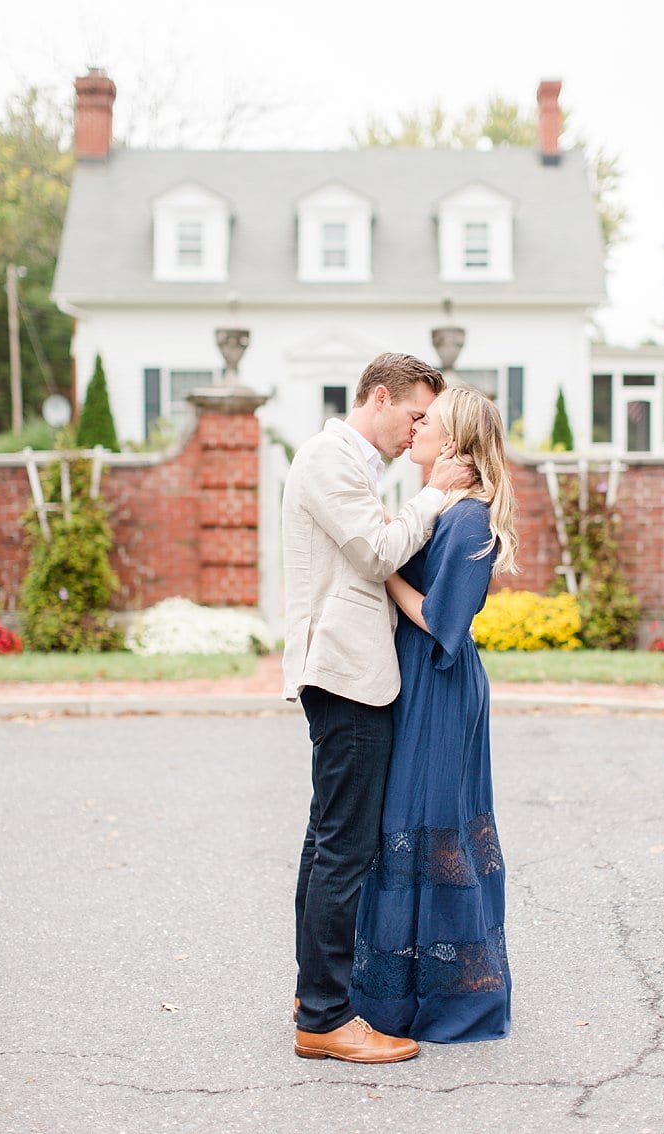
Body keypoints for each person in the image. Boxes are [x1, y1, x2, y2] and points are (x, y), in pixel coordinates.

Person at [284, 351, 469, 1064]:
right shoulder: (330, 458)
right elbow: (374, 553)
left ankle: (315, 996)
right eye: (417, 416)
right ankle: (326, 1018)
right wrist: (436, 495)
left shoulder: (354, 465)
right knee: (345, 848)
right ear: (381, 398)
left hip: (348, 671)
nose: (418, 431)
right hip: (346, 673)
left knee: (326, 841)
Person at [350, 385, 521, 1043]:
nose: (414, 428)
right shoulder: (442, 508)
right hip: (418, 680)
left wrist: (379, 566)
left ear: (452, 444)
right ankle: (396, 997)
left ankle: (456, 1002)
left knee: (427, 825)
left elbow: (442, 620)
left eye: (428, 422)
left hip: (439, 683)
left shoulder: (470, 518)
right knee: (407, 823)